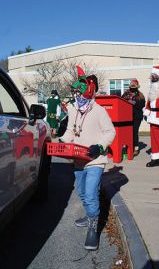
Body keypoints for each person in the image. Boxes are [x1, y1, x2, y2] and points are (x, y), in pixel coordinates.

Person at [59, 66, 116, 251]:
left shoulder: (99, 111)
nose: (76, 95)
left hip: (95, 160)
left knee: (91, 193)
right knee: (82, 191)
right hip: (78, 158)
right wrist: (62, 141)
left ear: (88, 92)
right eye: (75, 91)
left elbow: (110, 132)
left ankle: (93, 228)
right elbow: (70, 130)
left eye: (78, 91)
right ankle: (89, 214)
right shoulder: (73, 109)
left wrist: (100, 146)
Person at [121, 78, 145, 156]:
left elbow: (142, 105)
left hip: (137, 116)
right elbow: (121, 101)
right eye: (131, 85)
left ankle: (136, 148)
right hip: (127, 116)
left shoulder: (140, 95)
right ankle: (127, 147)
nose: (133, 87)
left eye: (134, 86)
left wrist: (135, 102)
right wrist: (126, 101)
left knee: (134, 131)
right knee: (127, 132)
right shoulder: (125, 94)